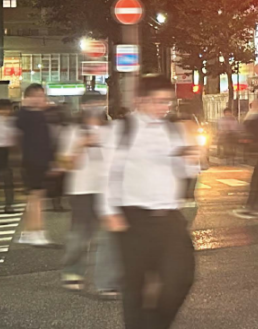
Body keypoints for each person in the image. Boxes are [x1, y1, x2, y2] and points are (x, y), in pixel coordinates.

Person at [100, 76, 201, 329]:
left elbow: (187, 171)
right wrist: (109, 211)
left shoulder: (173, 130)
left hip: (169, 218)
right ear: (140, 100)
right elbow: (107, 173)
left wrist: (192, 156)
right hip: (133, 218)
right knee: (135, 285)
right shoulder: (121, 130)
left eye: (167, 102)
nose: (163, 107)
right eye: (157, 101)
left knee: (181, 277)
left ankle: (154, 324)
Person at [61, 91, 119, 297]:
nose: (96, 107)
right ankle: (73, 271)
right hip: (82, 190)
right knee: (80, 235)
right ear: (83, 106)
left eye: (100, 103)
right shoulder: (74, 131)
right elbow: (65, 164)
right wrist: (81, 145)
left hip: (108, 190)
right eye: (91, 104)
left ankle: (107, 281)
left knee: (110, 235)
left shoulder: (112, 130)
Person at [16, 84, 55, 245]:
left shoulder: (36, 114)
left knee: (35, 197)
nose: (42, 99)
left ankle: (31, 231)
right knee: (35, 197)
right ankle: (35, 231)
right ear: (29, 97)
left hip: (37, 160)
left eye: (42, 96)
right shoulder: (27, 115)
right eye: (38, 96)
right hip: (33, 161)